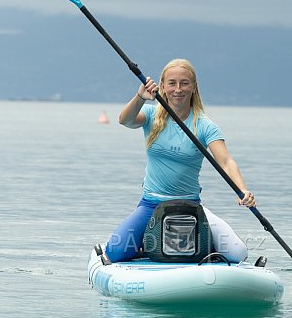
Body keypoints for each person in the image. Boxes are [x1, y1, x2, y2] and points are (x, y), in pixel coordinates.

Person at [105, 58, 256, 263]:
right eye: (172, 83)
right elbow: (125, 120)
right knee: (115, 252)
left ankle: (206, 245)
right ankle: (148, 245)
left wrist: (243, 190)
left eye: (184, 83)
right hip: (151, 204)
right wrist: (140, 97)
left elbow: (226, 161)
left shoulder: (204, 125)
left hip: (190, 205)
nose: (178, 89)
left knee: (238, 253)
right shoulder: (151, 115)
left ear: (194, 87)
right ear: (163, 87)